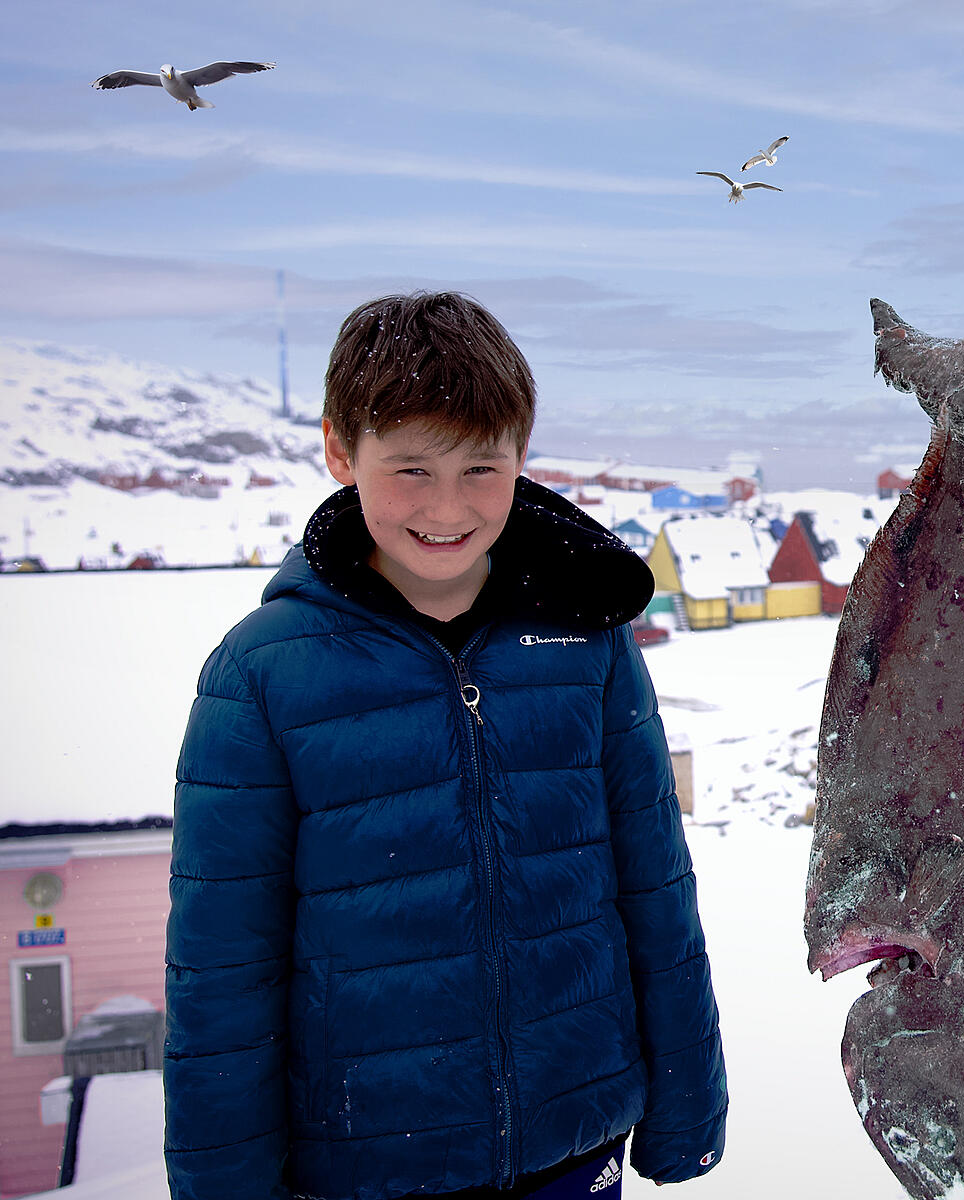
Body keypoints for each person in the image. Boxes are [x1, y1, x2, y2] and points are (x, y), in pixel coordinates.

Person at [163, 292, 727, 1200]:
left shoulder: (586, 639)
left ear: (521, 457)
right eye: (412, 469)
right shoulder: (261, 674)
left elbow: (653, 881)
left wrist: (687, 1107)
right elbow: (223, 967)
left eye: (481, 468)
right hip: (368, 1163)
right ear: (340, 450)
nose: (448, 508)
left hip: (574, 1143)